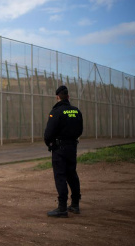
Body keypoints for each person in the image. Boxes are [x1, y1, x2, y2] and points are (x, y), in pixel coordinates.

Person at [44, 85, 83, 218]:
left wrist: (49, 143)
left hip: (59, 148)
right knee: (72, 174)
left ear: (57, 97)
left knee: (60, 176)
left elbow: (48, 133)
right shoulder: (76, 111)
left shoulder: (56, 112)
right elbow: (80, 130)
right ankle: (75, 204)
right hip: (72, 147)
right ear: (68, 97)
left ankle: (62, 207)